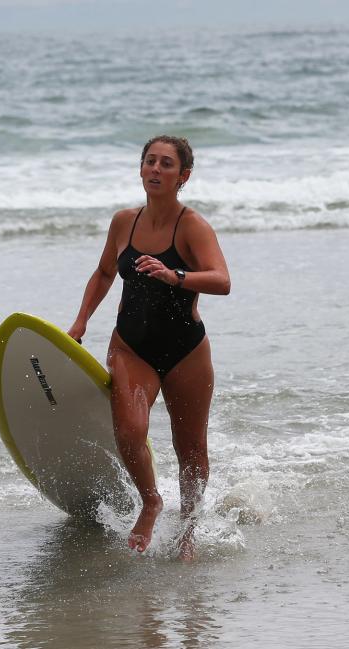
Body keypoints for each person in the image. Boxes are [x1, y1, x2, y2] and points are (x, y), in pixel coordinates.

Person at [67, 135, 231, 560]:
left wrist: (174, 275)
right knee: (129, 430)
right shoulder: (124, 221)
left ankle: (189, 530)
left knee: (191, 448)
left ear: (184, 177)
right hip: (131, 346)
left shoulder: (192, 226)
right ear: (141, 169)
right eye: (150, 162)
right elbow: (104, 273)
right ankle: (151, 501)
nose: (156, 169)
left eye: (166, 164)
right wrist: (80, 322)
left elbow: (222, 280)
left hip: (186, 351)